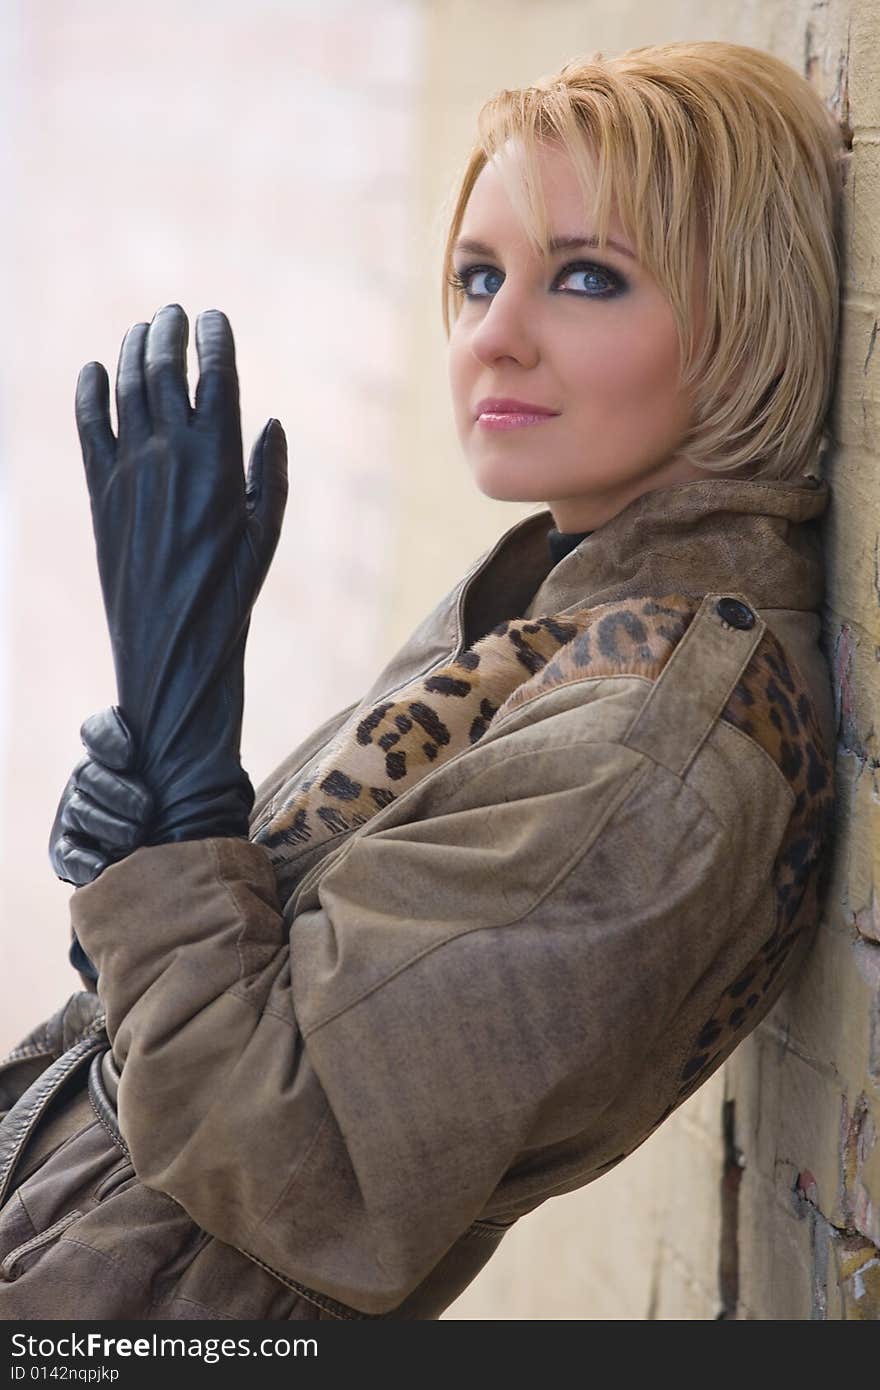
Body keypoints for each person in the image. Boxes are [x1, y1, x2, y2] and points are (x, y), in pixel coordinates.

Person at [0, 39, 844, 1320]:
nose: (493, 337)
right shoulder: (557, 606)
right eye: (476, 275)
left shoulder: (653, 748)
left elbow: (298, 1163)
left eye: (586, 277)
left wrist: (177, 834)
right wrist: (158, 826)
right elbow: (258, 972)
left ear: (744, 316)